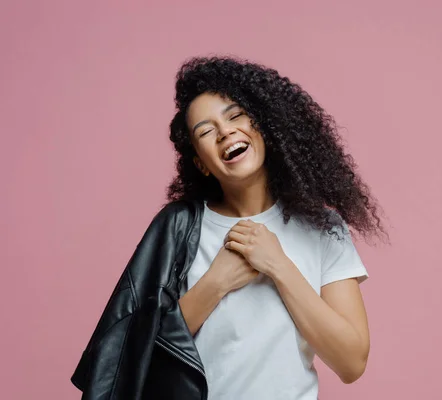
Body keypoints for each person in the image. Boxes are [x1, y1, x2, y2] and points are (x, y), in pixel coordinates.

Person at [71, 56, 386, 400]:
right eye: (206, 131)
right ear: (200, 164)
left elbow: (352, 362)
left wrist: (278, 266)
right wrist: (216, 283)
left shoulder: (324, 228)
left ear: (264, 127)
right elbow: (130, 356)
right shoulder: (178, 228)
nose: (225, 132)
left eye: (235, 115)